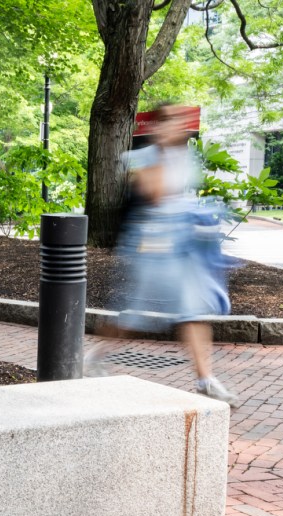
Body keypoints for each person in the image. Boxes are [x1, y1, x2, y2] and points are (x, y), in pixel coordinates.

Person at [86, 104, 239, 407]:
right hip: (150, 249)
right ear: (156, 126)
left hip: (182, 249)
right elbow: (154, 195)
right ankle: (95, 356)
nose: (177, 126)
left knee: (193, 310)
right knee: (134, 314)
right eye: (169, 121)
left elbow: (183, 197)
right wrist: (161, 153)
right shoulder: (143, 157)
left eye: (179, 121)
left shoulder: (186, 158)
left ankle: (206, 380)